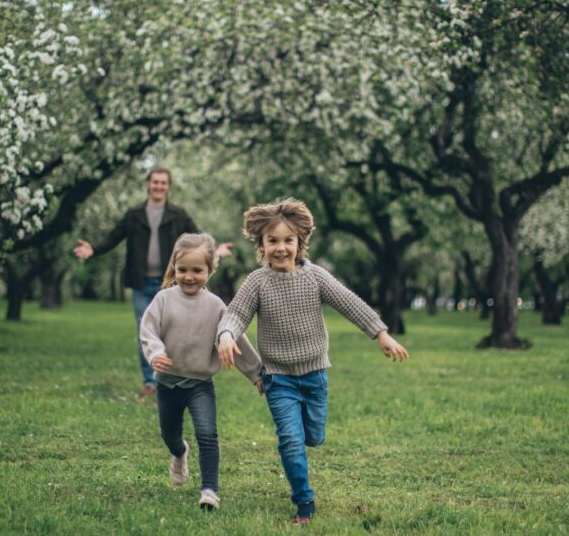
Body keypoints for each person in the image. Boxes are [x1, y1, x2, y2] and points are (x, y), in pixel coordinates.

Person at [216, 198, 409, 525]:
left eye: (287, 240)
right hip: (278, 379)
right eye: (272, 241)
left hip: (315, 375)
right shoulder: (257, 281)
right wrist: (225, 334)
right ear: (262, 244)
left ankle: (305, 444)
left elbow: (350, 303)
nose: (280, 248)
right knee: (290, 439)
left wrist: (381, 334)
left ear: (299, 242)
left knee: (314, 436)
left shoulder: (315, 276)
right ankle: (304, 503)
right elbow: (235, 313)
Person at [74, 167, 232, 396]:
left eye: (163, 183)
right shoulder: (134, 214)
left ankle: (171, 378)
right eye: (155, 182)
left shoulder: (178, 214)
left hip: (170, 283)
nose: (159, 186)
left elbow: (198, 240)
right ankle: (150, 382)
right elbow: (113, 237)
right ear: (148, 184)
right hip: (141, 282)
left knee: (172, 331)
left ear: (168, 186)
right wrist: (93, 249)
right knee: (145, 329)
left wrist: (215, 251)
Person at [139, 233, 262, 510]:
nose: (189, 276)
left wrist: (256, 374)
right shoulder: (163, 299)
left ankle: (209, 490)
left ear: (209, 270)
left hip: (199, 384)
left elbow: (237, 341)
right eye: (182, 270)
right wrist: (156, 353)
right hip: (167, 384)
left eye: (197, 270)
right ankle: (180, 453)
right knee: (169, 435)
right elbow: (148, 331)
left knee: (207, 434)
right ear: (174, 268)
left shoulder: (216, 306)